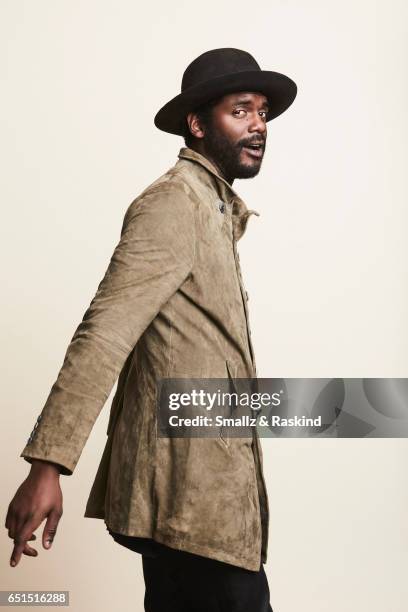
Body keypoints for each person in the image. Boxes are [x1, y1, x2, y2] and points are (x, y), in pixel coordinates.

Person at [5, 47, 297, 611]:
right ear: (197, 123)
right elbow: (105, 333)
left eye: (262, 111)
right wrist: (48, 465)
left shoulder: (213, 209)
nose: (259, 125)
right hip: (190, 506)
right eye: (241, 110)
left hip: (207, 499)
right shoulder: (173, 205)